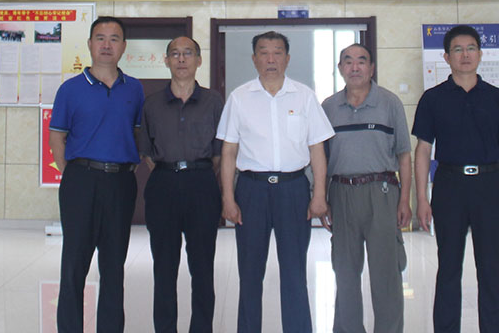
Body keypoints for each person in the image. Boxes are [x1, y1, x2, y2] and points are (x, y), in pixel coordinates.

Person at [217, 31, 334, 333]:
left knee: (294, 272)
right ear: (254, 58)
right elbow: (228, 152)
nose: (271, 59)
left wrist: (319, 194)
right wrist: (228, 198)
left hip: (293, 189)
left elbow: (317, 149)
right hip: (251, 190)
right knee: (249, 273)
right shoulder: (239, 98)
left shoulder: (304, 96)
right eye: (264, 52)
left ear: (287, 58)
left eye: (277, 52)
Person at [412, 25, 499, 333]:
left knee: (490, 267)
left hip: (488, 186)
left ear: (480, 54)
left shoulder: (497, 98)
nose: (465, 55)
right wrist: (421, 198)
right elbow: (423, 150)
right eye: (457, 49)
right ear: (446, 57)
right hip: (449, 186)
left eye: (471, 48)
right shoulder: (433, 99)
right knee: (448, 267)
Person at [48, 17, 144, 333]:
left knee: (114, 267)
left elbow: (136, 133)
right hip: (81, 181)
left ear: (123, 46)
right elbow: (57, 137)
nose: (106, 44)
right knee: (74, 265)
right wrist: (75, 175)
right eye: (100, 38)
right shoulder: (70, 89)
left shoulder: (135, 89)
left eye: (114, 38)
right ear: (90, 44)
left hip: (121, 183)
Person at [320, 44, 412, 333]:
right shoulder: (328, 107)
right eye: (348, 62)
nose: (355, 67)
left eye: (362, 61)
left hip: (382, 192)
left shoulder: (390, 103)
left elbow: (404, 155)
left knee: (387, 274)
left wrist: (405, 200)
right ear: (340, 68)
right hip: (341, 193)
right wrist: (321, 197)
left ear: (371, 68)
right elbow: (320, 158)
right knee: (345, 272)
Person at [137, 36, 224, 333]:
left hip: (202, 185)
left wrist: (193, 172)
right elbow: (148, 153)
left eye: (188, 53)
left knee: (202, 268)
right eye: (175, 54)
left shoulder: (214, 101)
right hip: (163, 185)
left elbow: (219, 153)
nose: (182, 59)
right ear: (166, 60)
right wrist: (172, 170)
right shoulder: (152, 104)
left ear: (199, 60)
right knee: (164, 268)